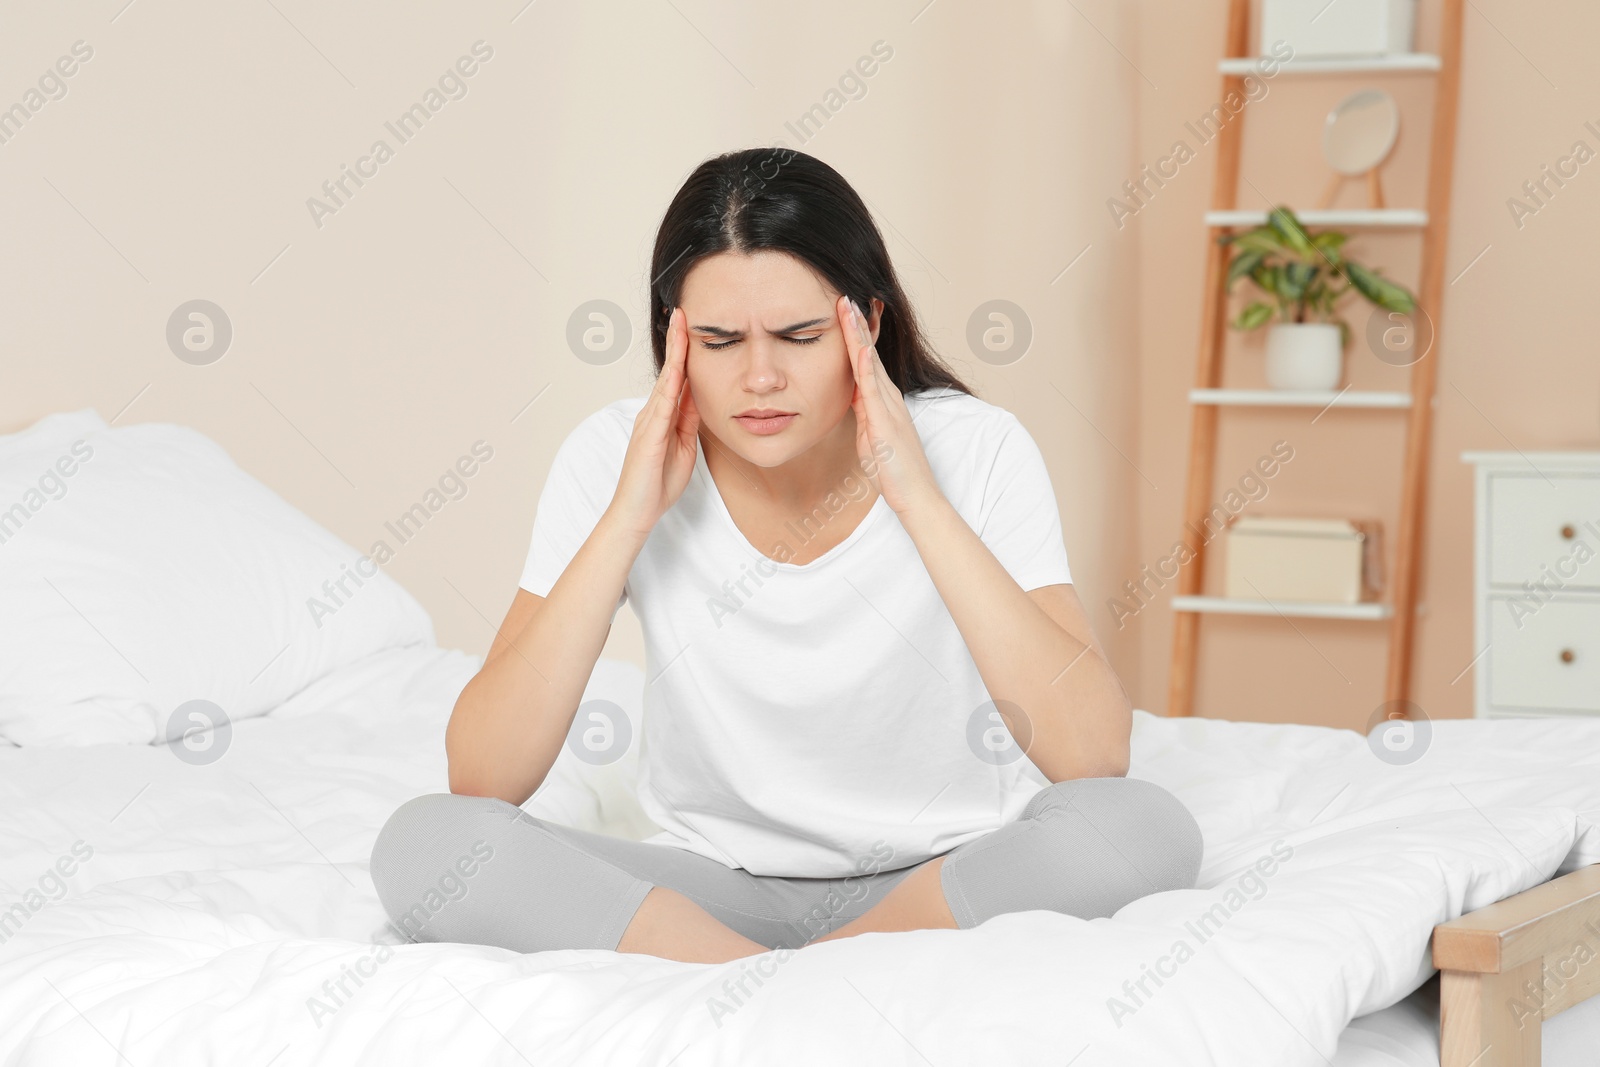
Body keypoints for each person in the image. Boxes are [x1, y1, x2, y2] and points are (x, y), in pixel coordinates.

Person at [370, 148, 1202, 964]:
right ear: (675, 339)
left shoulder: (975, 448)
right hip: (715, 886)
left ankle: (796, 973)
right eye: (721, 341)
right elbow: (482, 775)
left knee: (1142, 827)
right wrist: (628, 519)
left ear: (866, 324)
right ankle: (756, 974)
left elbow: (1093, 757)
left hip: (942, 880)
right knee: (427, 846)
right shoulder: (613, 459)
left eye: (799, 335)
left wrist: (917, 499)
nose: (759, 377)